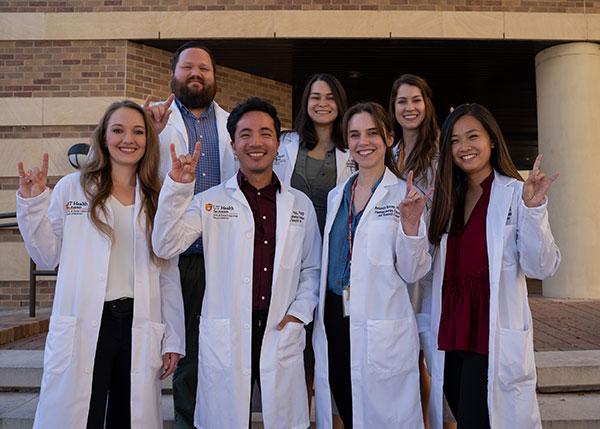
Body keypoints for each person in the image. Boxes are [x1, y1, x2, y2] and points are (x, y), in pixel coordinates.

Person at [152, 97, 321, 429]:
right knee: (225, 418)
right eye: (245, 134)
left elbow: (311, 268)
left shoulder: (299, 204)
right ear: (232, 145)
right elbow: (164, 243)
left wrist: (300, 312)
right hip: (227, 328)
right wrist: (177, 188)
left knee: (283, 418)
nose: (255, 143)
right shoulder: (211, 201)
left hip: (279, 327)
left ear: (277, 144)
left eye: (265, 134)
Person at [16, 100, 185, 428]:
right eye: (118, 130)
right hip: (87, 322)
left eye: (138, 132)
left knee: (128, 416)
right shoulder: (72, 187)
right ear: (104, 137)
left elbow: (168, 271)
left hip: (137, 323)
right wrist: (34, 203)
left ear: (148, 140)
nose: (128, 139)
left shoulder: (156, 197)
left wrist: (174, 337)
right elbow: (47, 255)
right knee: (83, 415)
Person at [426, 103, 561, 429]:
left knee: (476, 420)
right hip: (451, 329)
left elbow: (541, 266)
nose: (464, 147)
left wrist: (534, 209)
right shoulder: (446, 196)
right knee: (463, 412)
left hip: (489, 329)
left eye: (473, 136)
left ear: (492, 141)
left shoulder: (516, 193)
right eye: (455, 140)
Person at [312, 102, 432, 428]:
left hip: (381, 320)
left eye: (372, 133)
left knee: (385, 414)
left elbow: (413, 271)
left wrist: (410, 226)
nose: (363, 142)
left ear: (389, 138)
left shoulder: (403, 196)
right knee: (347, 405)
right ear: (346, 142)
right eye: (354, 135)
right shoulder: (338, 194)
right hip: (337, 316)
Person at [143, 41, 237, 428]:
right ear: (173, 74)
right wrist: (150, 133)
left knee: (217, 348)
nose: (196, 74)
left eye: (204, 68)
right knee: (179, 352)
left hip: (221, 256)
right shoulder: (154, 121)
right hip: (173, 255)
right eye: (188, 68)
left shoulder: (232, 125)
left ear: (215, 77)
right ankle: (185, 421)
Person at [388, 73, 440, 427]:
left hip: (434, 263)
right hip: (397, 263)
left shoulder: (440, 150)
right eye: (402, 101)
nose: (409, 108)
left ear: (427, 104)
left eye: (416, 100)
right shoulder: (390, 153)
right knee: (408, 356)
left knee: (434, 354)